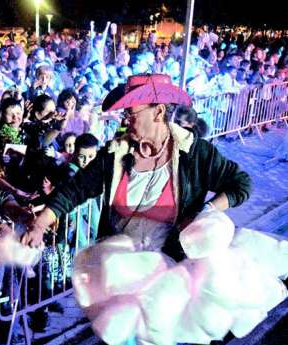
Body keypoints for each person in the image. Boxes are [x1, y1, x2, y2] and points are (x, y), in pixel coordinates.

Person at [22, 74, 252, 262]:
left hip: (171, 269)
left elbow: (241, 184)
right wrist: (40, 224)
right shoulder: (115, 154)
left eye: (130, 114)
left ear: (159, 112)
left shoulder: (194, 152)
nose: (124, 121)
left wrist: (205, 212)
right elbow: (75, 190)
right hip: (119, 267)